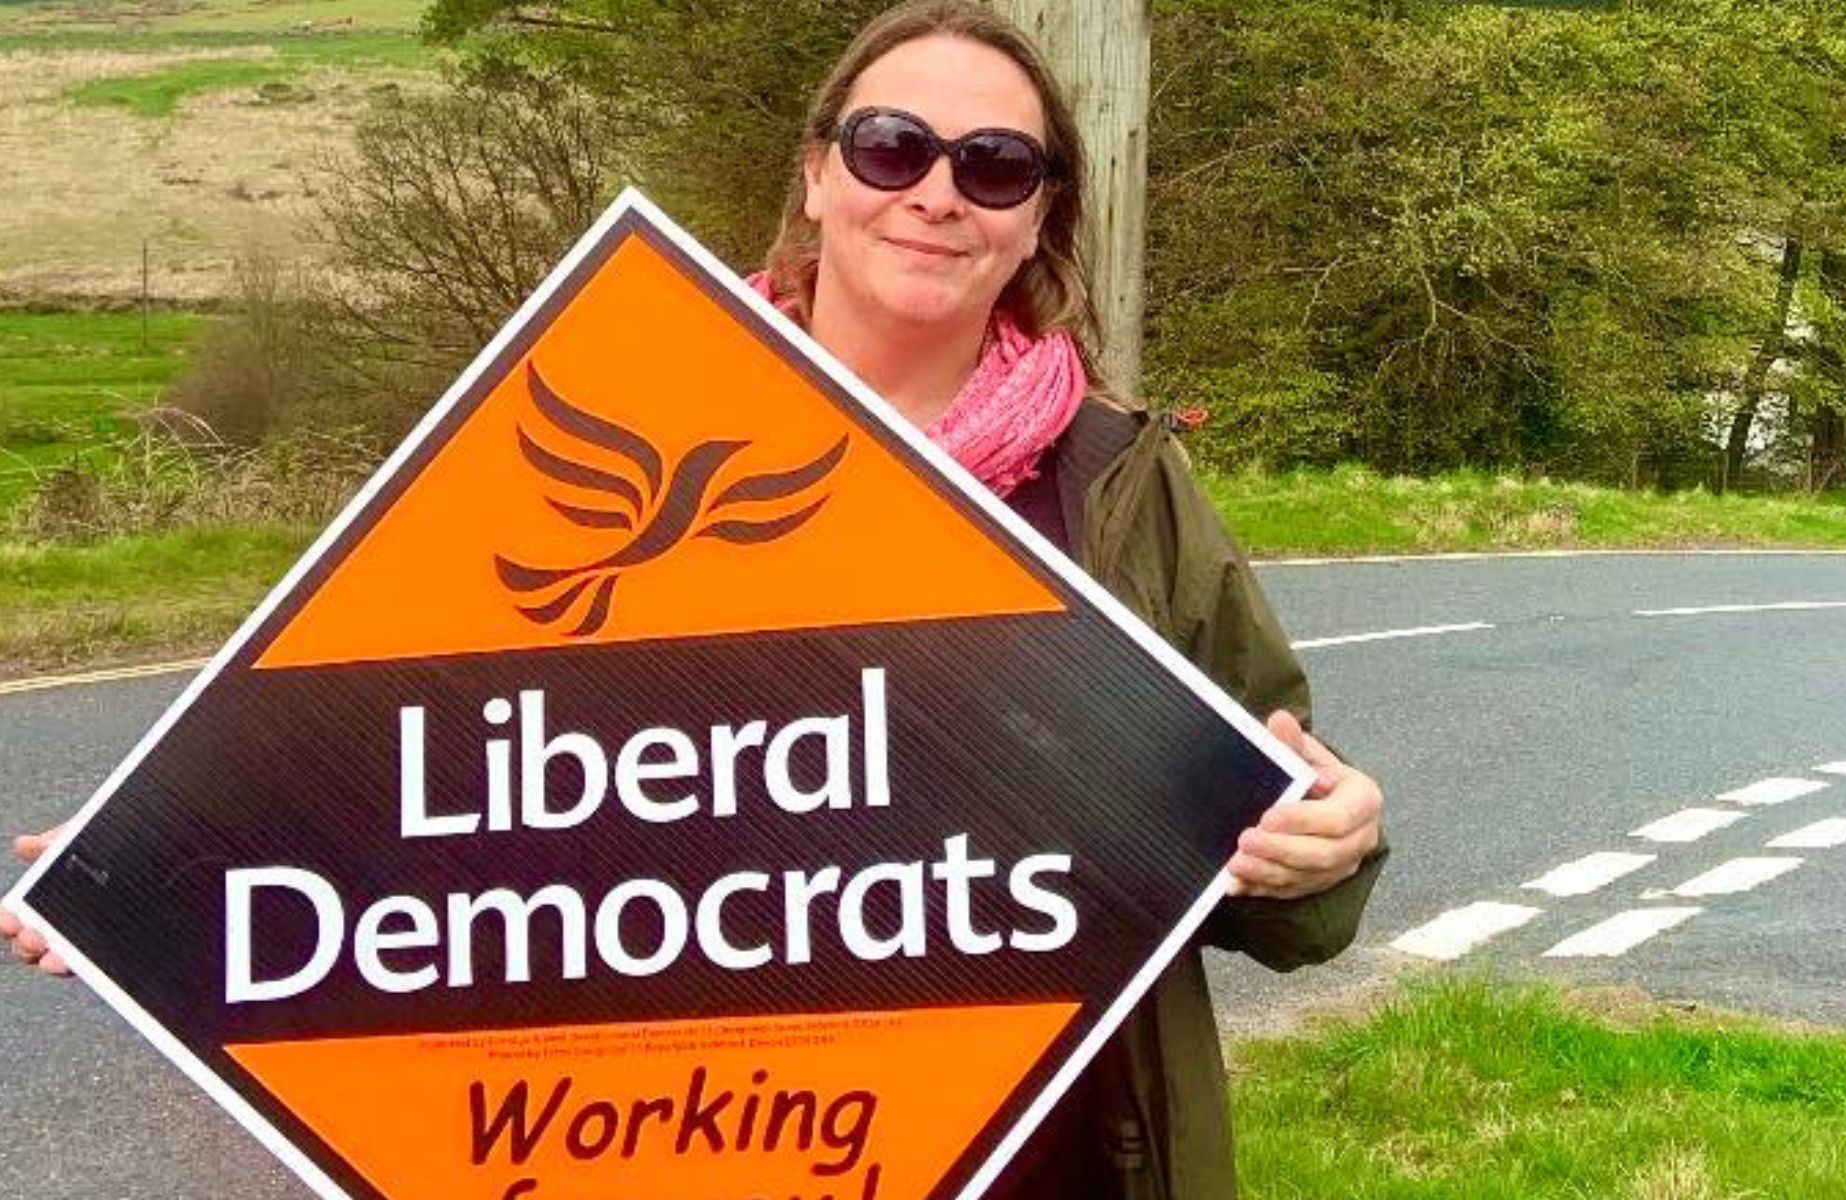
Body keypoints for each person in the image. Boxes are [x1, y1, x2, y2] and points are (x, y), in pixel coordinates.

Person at [4, 2, 1385, 1195]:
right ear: (818, 174)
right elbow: (436, 770)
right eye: (892, 146)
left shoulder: (1120, 487)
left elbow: (1260, 841)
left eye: (995, 164)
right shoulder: (641, 430)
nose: (937, 192)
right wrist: (161, 856)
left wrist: (1325, 849)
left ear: (1040, 217)